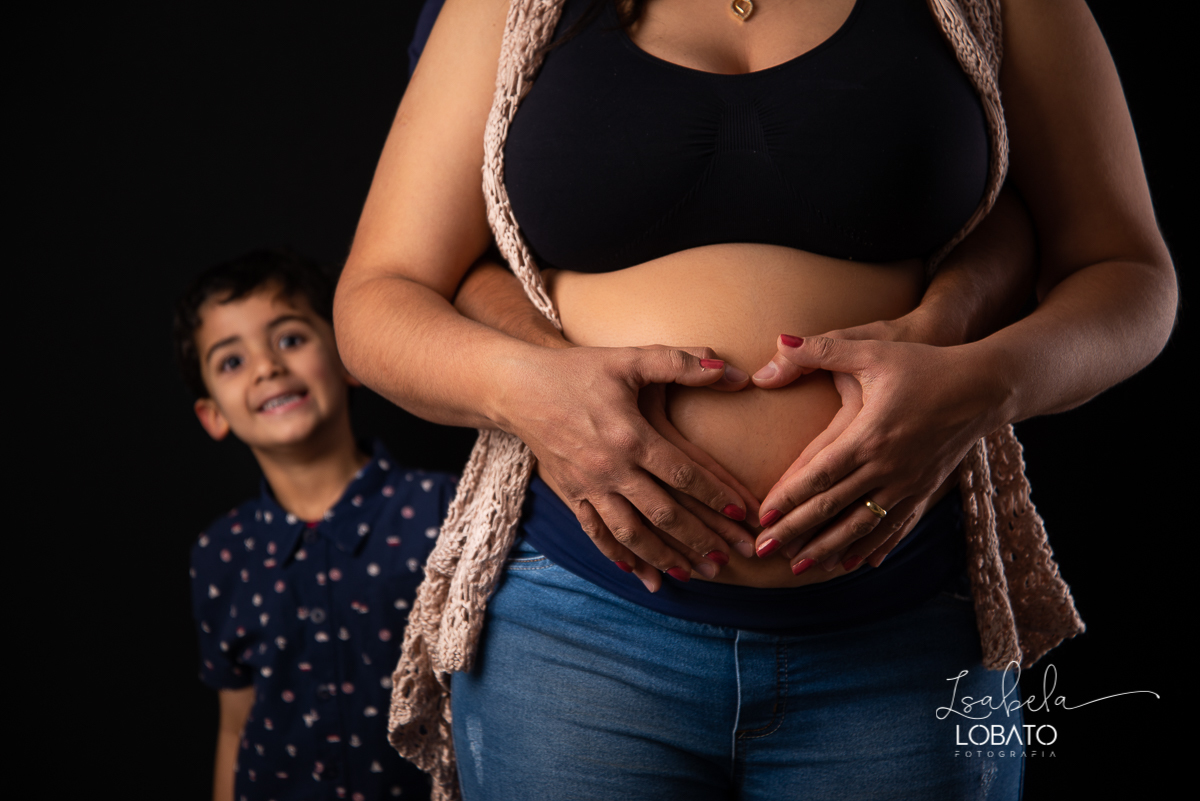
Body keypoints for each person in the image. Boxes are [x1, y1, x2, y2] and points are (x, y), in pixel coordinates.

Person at [334, 1, 1177, 799]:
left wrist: (987, 383)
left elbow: (1128, 274)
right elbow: (379, 298)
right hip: (581, 628)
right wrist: (530, 389)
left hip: (906, 630)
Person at [177, 251, 457, 801]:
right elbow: (235, 725)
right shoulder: (221, 554)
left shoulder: (441, 510)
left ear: (349, 358)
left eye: (290, 340)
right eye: (231, 361)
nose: (266, 368)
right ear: (213, 414)